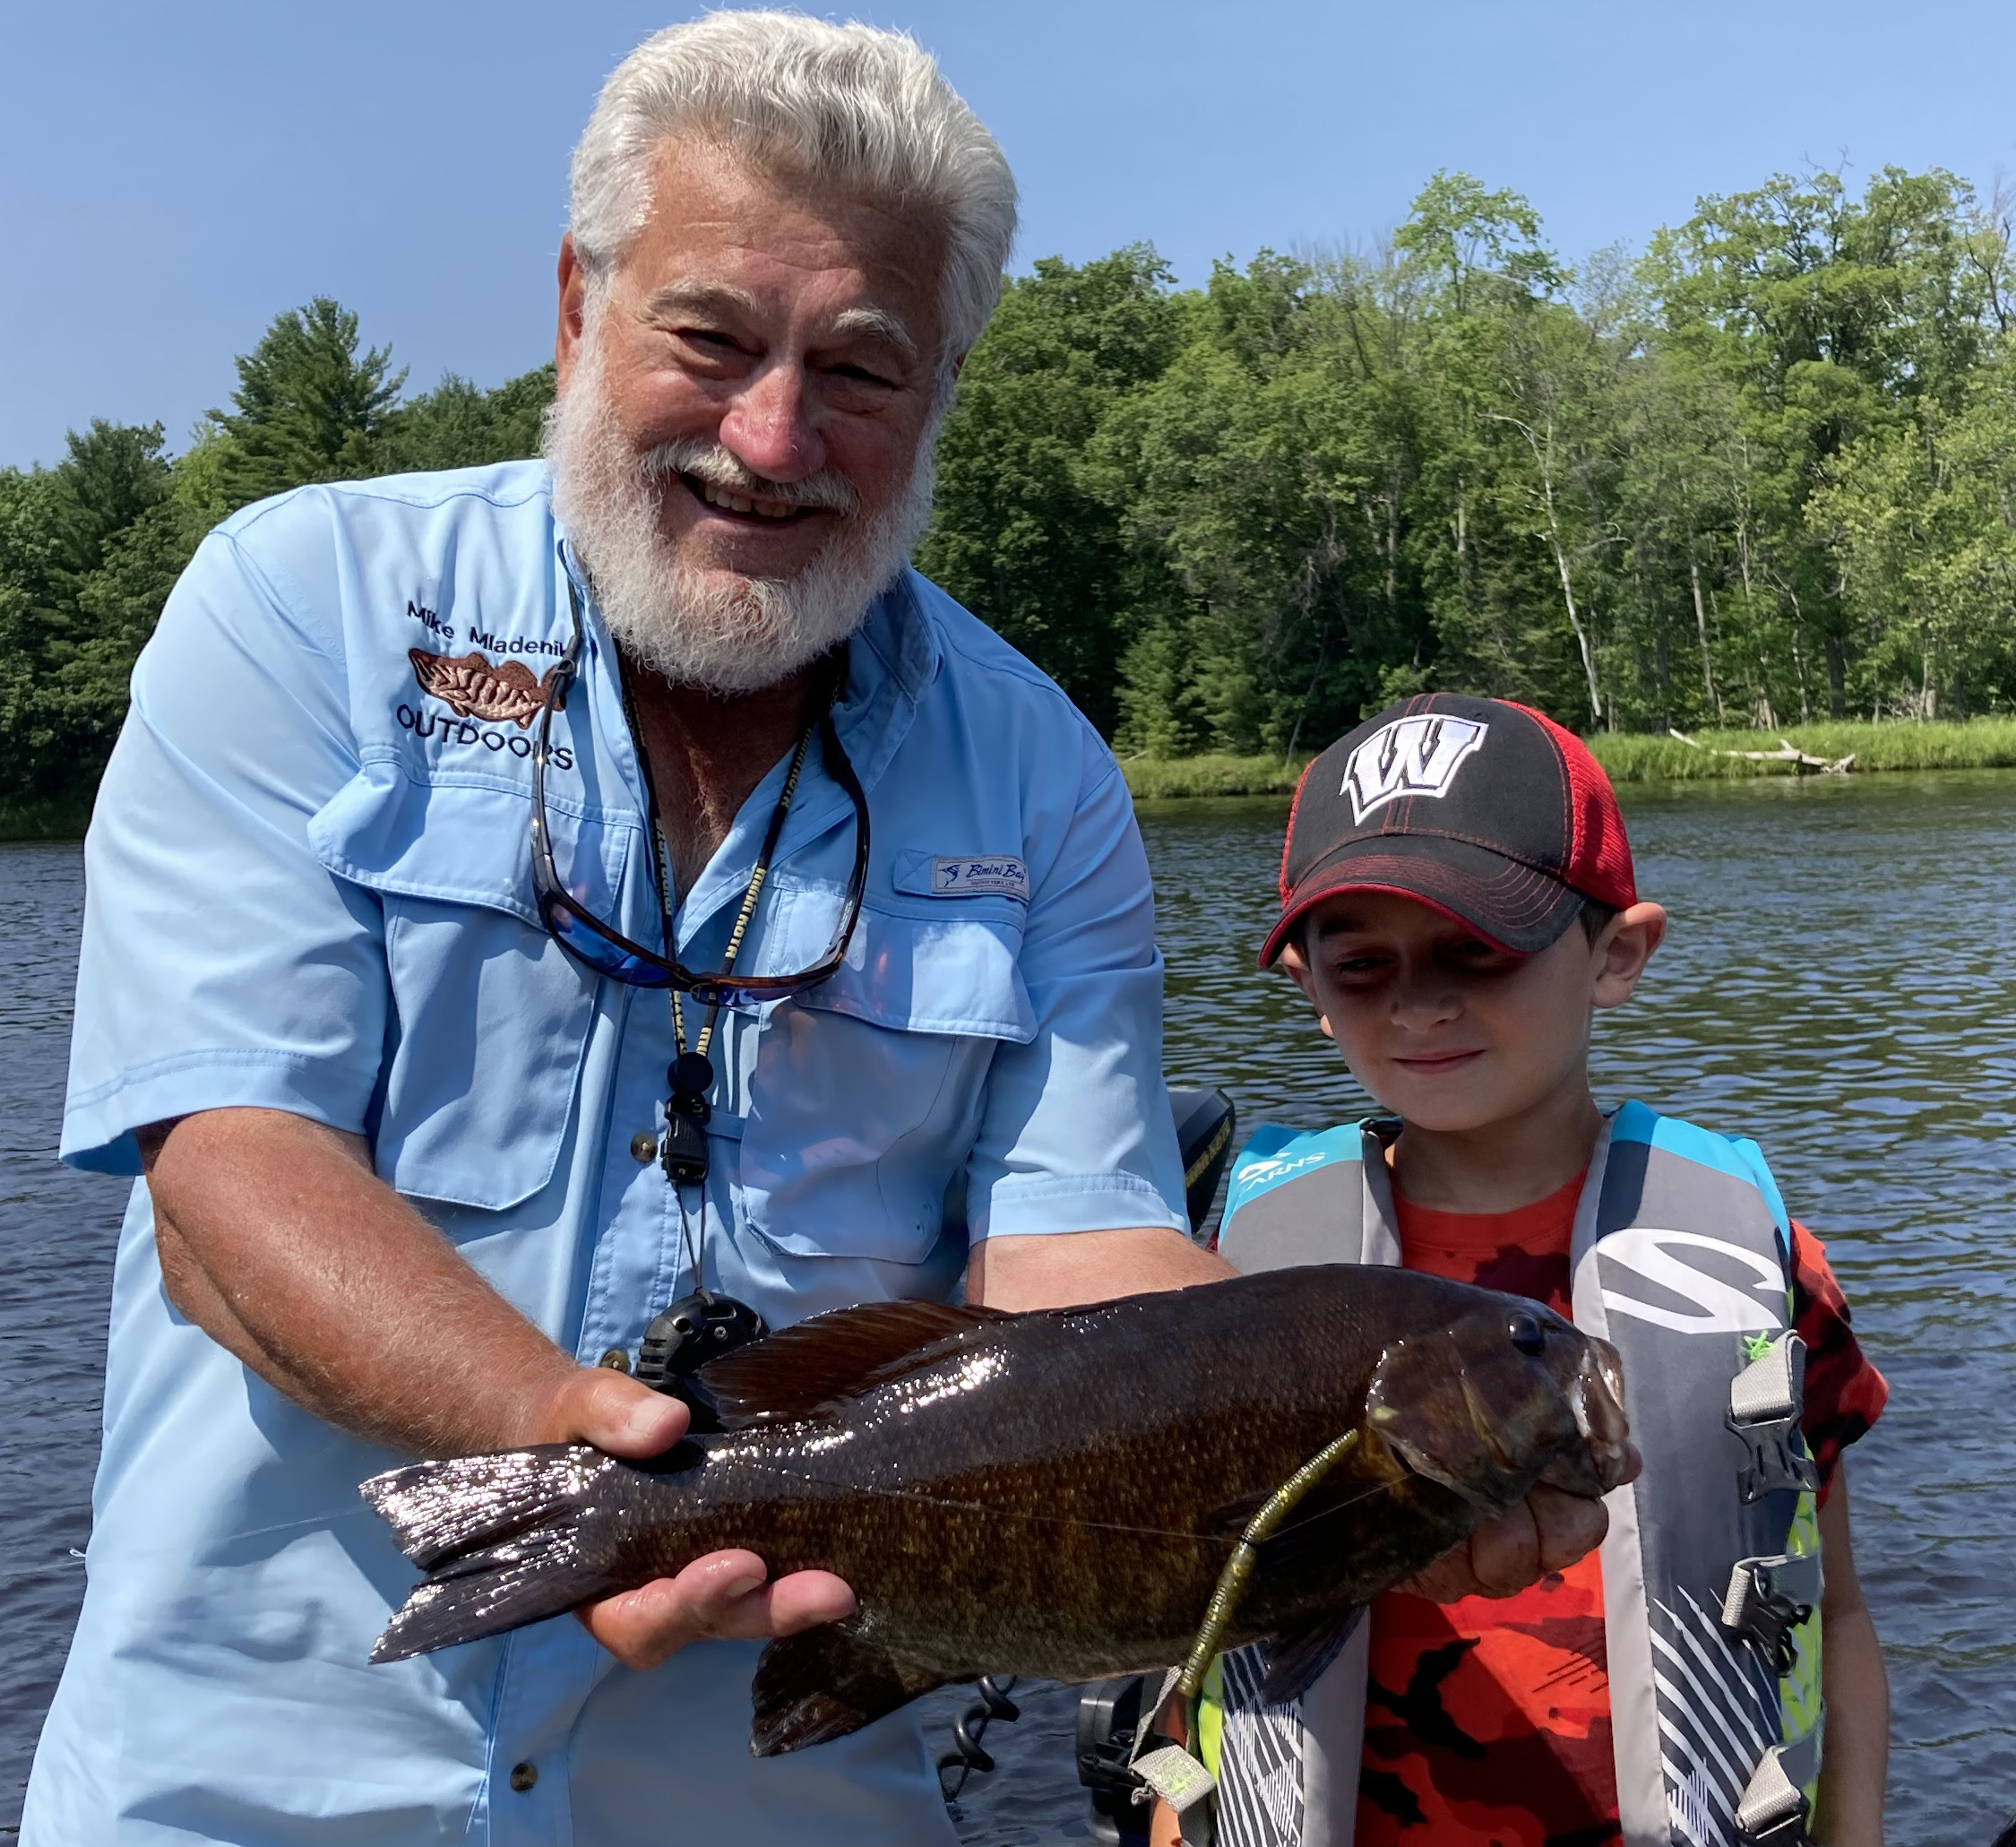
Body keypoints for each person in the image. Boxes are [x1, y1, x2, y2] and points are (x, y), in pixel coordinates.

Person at [28, 19, 1610, 1845]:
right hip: (251, 1787)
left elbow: (1080, 1256)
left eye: (861, 366)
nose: (772, 441)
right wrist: (595, 1471)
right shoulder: (300, 613)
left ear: (943, 384)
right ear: (574, 304)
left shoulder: (1039, 774)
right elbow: (232, 1180)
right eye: (711, 338)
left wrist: (1345, 1431)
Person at [1148, 694, 1890, 1847]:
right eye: (1361, 965)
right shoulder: (1234, 1280)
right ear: (1306, 985)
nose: (1421, 1003)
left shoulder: (1758, 1256)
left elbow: (1830, 1609)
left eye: (1477, 951)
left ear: (1620, 952)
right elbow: (1200, 1661)